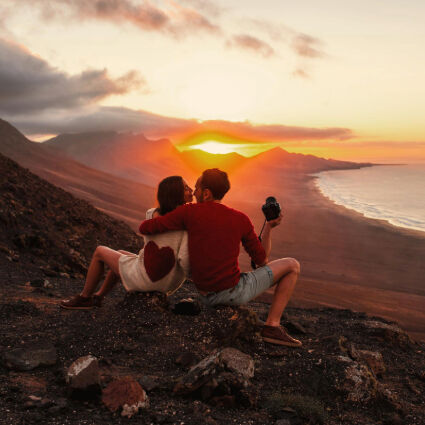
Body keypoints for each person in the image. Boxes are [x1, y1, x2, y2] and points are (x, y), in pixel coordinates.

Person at [139, 168, 302, 347]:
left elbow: (146, 228)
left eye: (196, 188)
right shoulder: (241, 219)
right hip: (232, 293)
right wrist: (269, 227)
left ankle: (271, 326)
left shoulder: (188, 213)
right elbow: (262, 261)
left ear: (206, 193)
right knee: (292, 265)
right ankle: (272, 326)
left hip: (204, 294)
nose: (193, 192)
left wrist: (159, 214)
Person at [60, 176, 193, 310]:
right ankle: (98, 296)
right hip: (168, 282)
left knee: (99, 251)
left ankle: (84, 298)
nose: (191, 190)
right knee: (121, 255)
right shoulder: (187, 223)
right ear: (175, 193)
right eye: (186, 188)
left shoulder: (152, 215)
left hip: (148, 279)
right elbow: (184, 257)